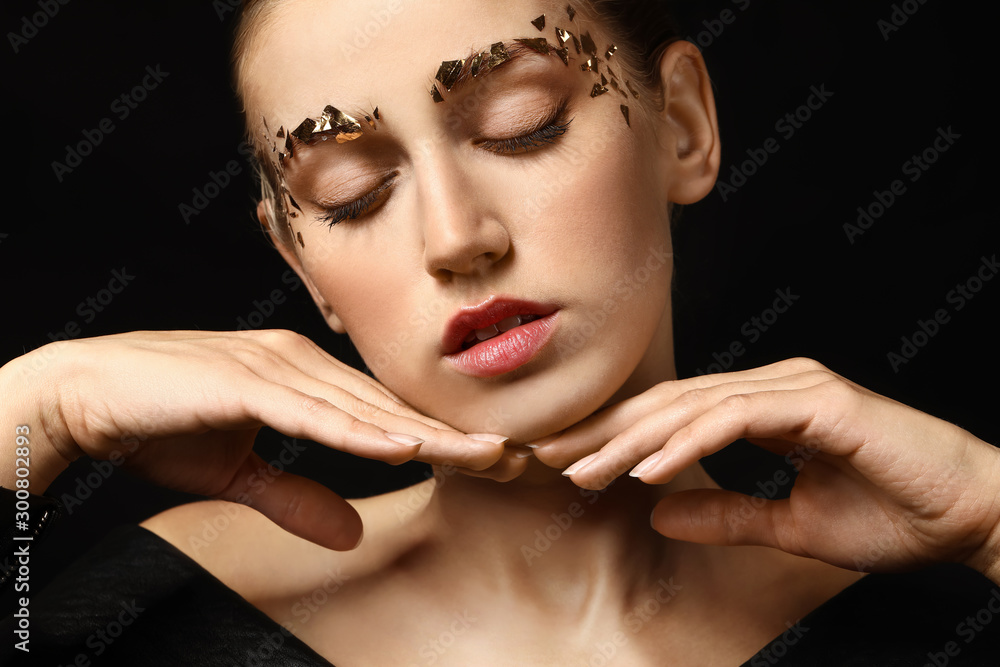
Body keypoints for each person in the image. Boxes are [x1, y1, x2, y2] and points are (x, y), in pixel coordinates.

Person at [2, 0, 999, 664]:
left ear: (683, 126)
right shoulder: (165, 607)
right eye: (352, 194)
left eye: (521, 126)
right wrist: (29, 419)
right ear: (302, 266)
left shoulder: (937, 601)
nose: (456, 238)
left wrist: (992, 520)